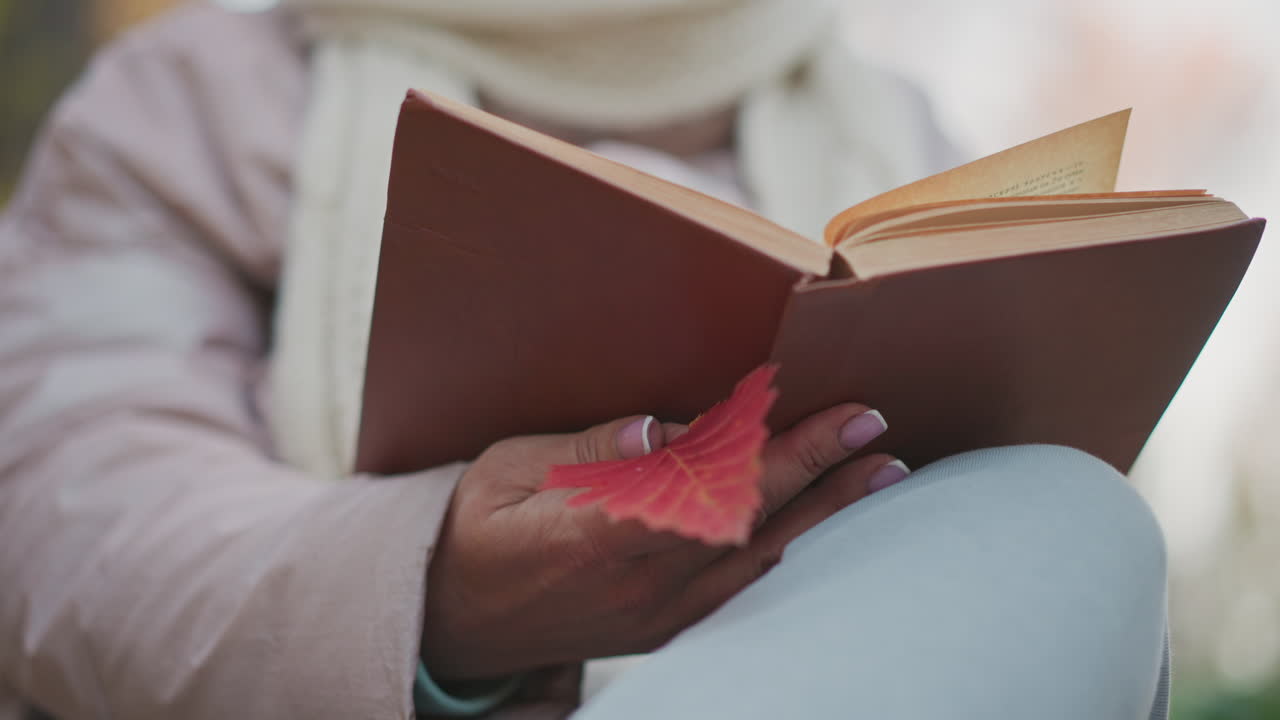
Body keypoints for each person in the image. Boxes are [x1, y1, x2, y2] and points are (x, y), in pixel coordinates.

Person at [0, 1, 1169, 718]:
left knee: (1061, 513)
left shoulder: (895, 129)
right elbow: (69, 517)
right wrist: (437, 594)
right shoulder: (199, 103)